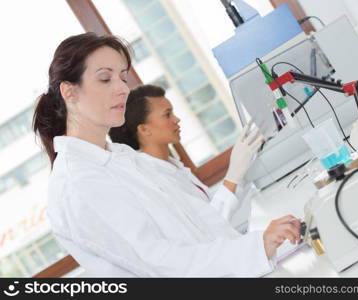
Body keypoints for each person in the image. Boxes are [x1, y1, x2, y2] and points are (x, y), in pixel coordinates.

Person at [33, 32, 301, 277]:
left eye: (123, 77)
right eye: (105, 78)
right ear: (69, 91)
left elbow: (200, 221)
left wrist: (264, 244)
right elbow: (160, 263)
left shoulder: (120, 156)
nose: (122, 88)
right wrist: (256, 248)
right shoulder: (78, 183)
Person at [109, 84, 262, 220]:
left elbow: (214, 208)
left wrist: (245, 170)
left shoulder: (173, 165)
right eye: (167, 115)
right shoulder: (154, 178)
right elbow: (210, 225)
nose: (177, 119)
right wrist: (233, 174)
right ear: (144, 129)